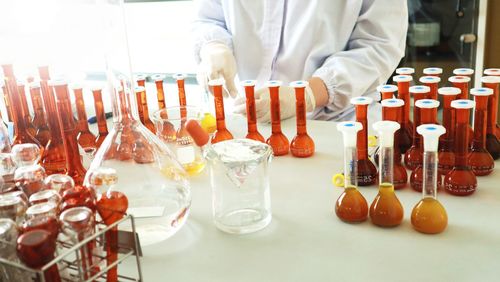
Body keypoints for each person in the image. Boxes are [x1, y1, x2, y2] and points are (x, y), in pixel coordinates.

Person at [192, 0, 408, 123]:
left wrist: (308, 95)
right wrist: (213, 45)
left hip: (333, 122)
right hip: (240, 116)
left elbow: (379, 44)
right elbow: (208, 17)